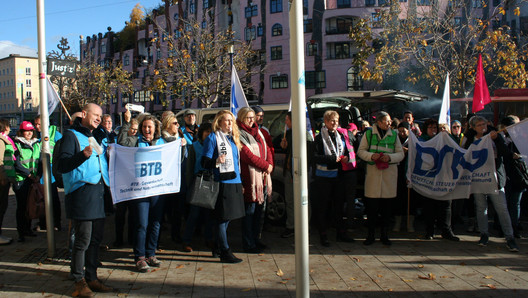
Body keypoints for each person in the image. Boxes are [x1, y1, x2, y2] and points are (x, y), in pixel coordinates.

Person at [57, 103, 114, 296]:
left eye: (100, 115)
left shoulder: (98, 137)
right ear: (83, 114)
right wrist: (82, 155)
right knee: (83, 240)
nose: (98, 118)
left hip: (98, 192)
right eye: (95, 114)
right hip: (81, 193)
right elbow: (62, 165)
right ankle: (78, 280)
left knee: (95, 239)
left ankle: (92, 278)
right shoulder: (71, 136)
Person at [462, 116, 519, 252]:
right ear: (473, 127)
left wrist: (496, 140)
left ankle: (509, 237)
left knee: (502, 209)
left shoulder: (494, 135)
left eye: (484, 124)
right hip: (478, 179)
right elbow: (464, 153)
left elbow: (505, 152)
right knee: (481, 208)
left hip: (495, 179)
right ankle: (484, 234)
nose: (483, 127)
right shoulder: (469, 138)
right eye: (479, 125)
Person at [119, 110, 166, 271]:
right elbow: (122, 144)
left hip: (157, 191)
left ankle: (151, 253)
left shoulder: (161, 142)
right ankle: (139, 257)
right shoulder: (135, 141)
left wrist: (181, 148)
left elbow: (172, 161)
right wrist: (126, 124)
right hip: (140, 191)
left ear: (155, 128)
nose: (147, 129)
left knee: (156, 224)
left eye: (150, 127)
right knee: (141, 224)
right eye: (145, 126)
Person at [201, 110, 245, 263]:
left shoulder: (233, 139)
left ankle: (217, 247)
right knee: (222, 218)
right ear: (218, 122)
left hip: (235, 181)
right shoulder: (213, 138)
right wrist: (216, 162)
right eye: (226, 120)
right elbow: (204, 162)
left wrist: (241, 183)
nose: (229, 123)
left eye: (231, 121)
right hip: (222, 183)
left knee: (228, 219)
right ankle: (225, 251)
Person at [357, 111, 404, 246]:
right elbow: (361, 151)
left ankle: (385, 235)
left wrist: (389, 158)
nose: (389, 123)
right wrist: (372, 156)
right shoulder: (369, 134)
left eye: (389, 121)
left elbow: (400, 154)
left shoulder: (394, 135)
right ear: (378, 122)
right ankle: (370, 236)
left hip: (389, 176)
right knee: (372, 210)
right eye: (386, 121)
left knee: (387, 211)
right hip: (373, 175)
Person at [313, 110, 355, 247]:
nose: (335, 123)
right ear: (325, 122)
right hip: (323, 177)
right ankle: (323, 234)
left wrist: (347, 157)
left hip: (339, 176)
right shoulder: (319, 137)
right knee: (323, 207)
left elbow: (347, 150)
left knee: (339, 206)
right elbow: (314, 157)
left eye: (336, 120)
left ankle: (340, 233)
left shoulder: (341, 135)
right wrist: (332, 159)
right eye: (332, 120)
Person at [237, 107, 273, 253]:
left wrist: (269, 164)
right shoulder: (238, 134)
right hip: (249, 180)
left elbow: (268, 150)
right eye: (248, 117)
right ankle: (248, 243)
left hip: (262, 178)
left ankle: (256, 239)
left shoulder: (259, 132)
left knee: (258, 213)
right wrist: (266, 166)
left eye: (253, 117)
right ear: (241, 118)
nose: (252, 120)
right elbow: (247, 155)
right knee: (249, 214)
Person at [420, 118, 460, 241]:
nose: (433, 130)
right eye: (430, 128)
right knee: (429, 206)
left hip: (444, 177)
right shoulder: (422, 140)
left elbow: (455, 147)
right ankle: (429, 231)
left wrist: (447, 136)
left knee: (446, 205)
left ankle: (446, 230)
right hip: (428, 178)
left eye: (435, 128)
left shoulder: (443, 138)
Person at [181, 123, 214, 252]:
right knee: (193, 214)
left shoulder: (214, 145)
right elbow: (189, 168)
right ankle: (187, 240)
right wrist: (190, 185)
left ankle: (209, 239)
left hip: (210, 181)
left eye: (211, 132)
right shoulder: (194, 147)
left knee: (209, 214)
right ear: (201, 133)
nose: (209, 134)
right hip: (198, 181)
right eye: (207, 132)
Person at [160, 113, 188, 248]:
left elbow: (185, 160)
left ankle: (176, 235)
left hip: (179, 181)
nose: (178, 125)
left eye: (178, 123)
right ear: (167, 125)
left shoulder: (180, 139)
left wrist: (183, 147)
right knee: (162, 210)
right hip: (164, 182)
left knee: (177, 211)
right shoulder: (161, 140)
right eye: (175, 123)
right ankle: (157, 239)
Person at [113, 117, 139, 248]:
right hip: (122, 180)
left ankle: (130, 238)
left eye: (136, 129)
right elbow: (122, 142)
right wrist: (127, 122)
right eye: (132, 129)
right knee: (120, 214)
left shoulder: (137, 140)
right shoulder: (125, 139)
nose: (134, 131)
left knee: (132, 214)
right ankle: (119, 239)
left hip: (132, 181)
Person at [33, 115, 63, 231]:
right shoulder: (37, 136)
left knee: (53, 197)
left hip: (51, 168)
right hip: (40, 169)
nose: (37, 126)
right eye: (35, 124)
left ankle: (56, 222)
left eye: (39, 124)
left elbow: (62, 148)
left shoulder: (54, 133)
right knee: (42, 198)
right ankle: (43, 222)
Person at [13, 121, 40, 242]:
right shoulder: (17, 144)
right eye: (26, 131)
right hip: (21, 179)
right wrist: (29, 175)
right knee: (22, 207)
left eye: (30, 130)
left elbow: (40, 161)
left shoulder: (36, 144)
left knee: (30, 205)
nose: (28, 133)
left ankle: (28, 229)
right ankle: (21, 232)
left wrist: (38, 175)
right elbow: (17, 163)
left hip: (32, 179)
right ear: (21, 132)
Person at [501, 116, 526, 238]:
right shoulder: (501, 139)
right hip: (505, 175)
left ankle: (514, 227)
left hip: (518, 175)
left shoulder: (521, 139)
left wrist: (520, 156)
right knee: (504, 203)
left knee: (515, 203)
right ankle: (503, 227)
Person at [392, 121, 417, 232]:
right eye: (400, 131)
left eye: (404, 131)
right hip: (397, 173)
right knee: (398, 199)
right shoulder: (395, 141)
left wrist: (409, 151)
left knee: (411, 200)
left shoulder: (413, 141)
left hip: (410, 173)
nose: (402, 133)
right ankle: (397, 222)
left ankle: (409, 223)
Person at [336, 122, 361, 230]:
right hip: (351, 171)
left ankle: (337, 222)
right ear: (354, 131)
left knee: (338, 198)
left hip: (338, 170)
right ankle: (350, 222)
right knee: (351, 198)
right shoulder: (354, 138)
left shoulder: (338, 133)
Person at [0, 119, 15, 245]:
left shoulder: (5, 141)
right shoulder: (1, 142)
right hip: (1, 181)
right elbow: (0, 162)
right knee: (1, 207)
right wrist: (3, 177)